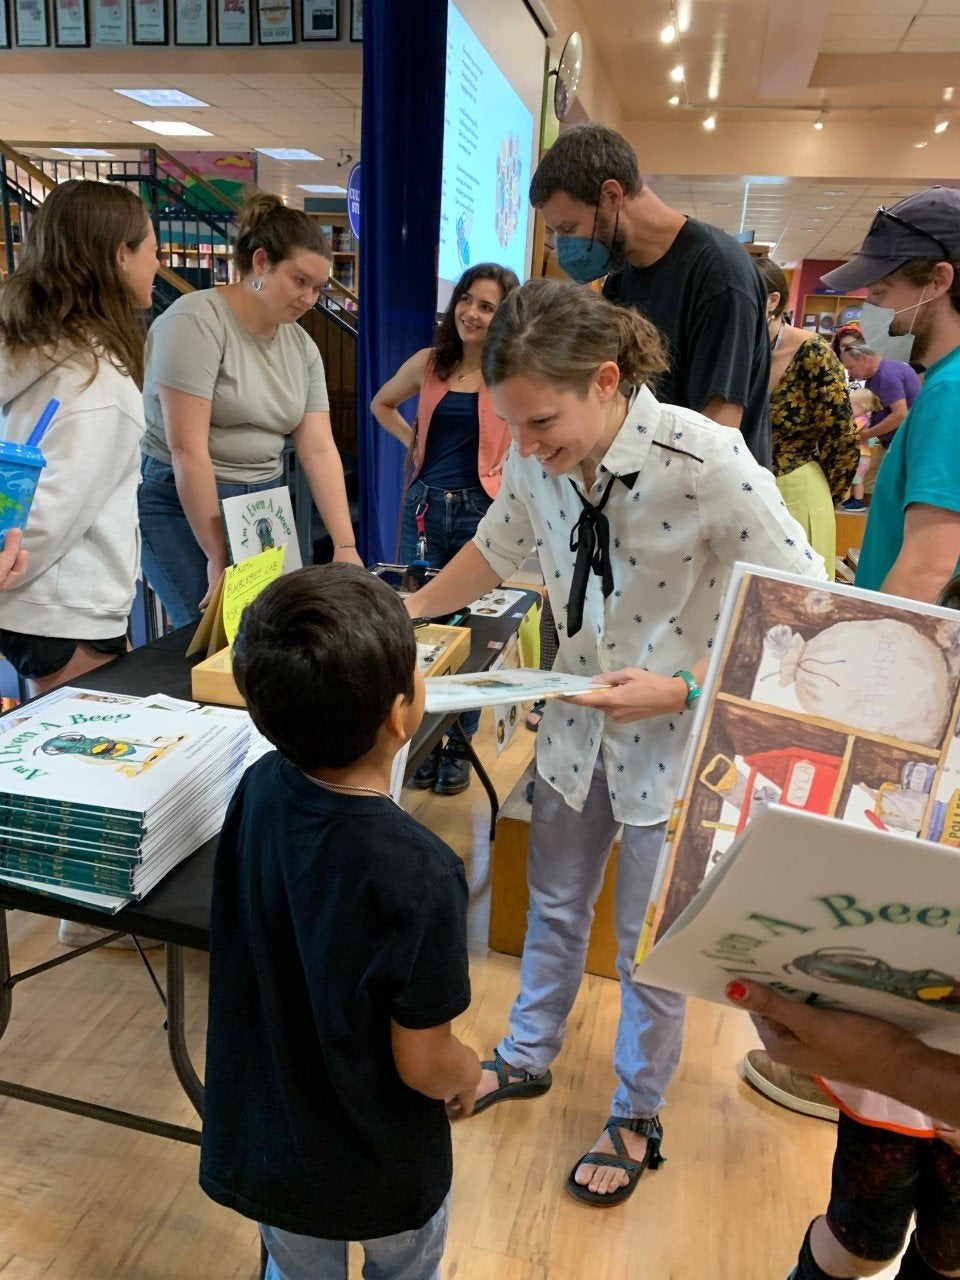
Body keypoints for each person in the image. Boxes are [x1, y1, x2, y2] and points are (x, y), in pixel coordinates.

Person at [402, 278, 826, 1209]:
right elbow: (498, 546)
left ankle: (637, 1110)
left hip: (677, 745)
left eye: (542, 422)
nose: (527, 446)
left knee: (648, 942)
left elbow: (807, 603)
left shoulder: (706, 459)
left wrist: (679, 686)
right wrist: (409, 612)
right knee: (553, 902)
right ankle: (527, 1053)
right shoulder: (536, 459)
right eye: (512, 426)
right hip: (573, 729)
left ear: (604, 381)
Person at [740, 187, 960, 1280]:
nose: (875, 301)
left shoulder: (956, 392)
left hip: (919, 731)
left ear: (941, 279)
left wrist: (844, 720)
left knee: (898, 1024)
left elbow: (924, 565)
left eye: (890, 281)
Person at [200, 564, 480, 1280]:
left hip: (274, 1145)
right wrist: (468, 1071)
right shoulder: (420, 874)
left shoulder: (259, 788)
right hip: (379, 1162)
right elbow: (423, 1062)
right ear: (399, 714)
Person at [138, 190, 361, 629]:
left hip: (261, 501)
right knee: (209, 634)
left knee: (266, 636)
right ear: (260, 264)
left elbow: (318, 448)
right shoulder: (196, 321)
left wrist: (345, 545)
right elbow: (187, 449)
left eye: (317, 287)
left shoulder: (301, 346)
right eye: (299, 281)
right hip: (185, 499)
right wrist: (216, 553)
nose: (310, 298)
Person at [529, 123, 772, 466]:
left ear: (612, 196)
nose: (564, 247)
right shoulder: (621, 279)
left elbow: (718, 427)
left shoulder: (719, 273)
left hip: (703, 496)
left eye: (568, 229)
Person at [0, 179, 157, 695]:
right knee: (79, 763)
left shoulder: (37, 350)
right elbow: (49, 517)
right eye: (151, 250)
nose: (157, 264)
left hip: (41, 601)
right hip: (64, 608)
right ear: (120, 255)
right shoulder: (96, 381)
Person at [371, 263, 519, 796]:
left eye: (487, 306)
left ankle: (459, 743)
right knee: (419, 624)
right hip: (425, 509)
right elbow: (380, 402)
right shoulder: (431, 364)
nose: (472, 313)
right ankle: (420, 739)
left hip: (484, 510)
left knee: (475, 630)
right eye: (467, 300)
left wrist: (509, 464)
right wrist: (415, 438)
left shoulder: (510, 369)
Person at [756, 257, 860, 575]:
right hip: (740, 492)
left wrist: (825, 496)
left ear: (773, 300)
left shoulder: (812, 353)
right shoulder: (735, 346)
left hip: (794, 490)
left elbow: (841, 438)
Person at [842, 388, 883, 512]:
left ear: (863, 407)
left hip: (861, 456)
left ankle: (858, 500)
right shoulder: (859, 419)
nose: (849, 409)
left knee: (858, 479)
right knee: (854, 479)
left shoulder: (862, 420)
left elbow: (850, 431)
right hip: (858, 454)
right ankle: (854, 497)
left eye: (852, 406)